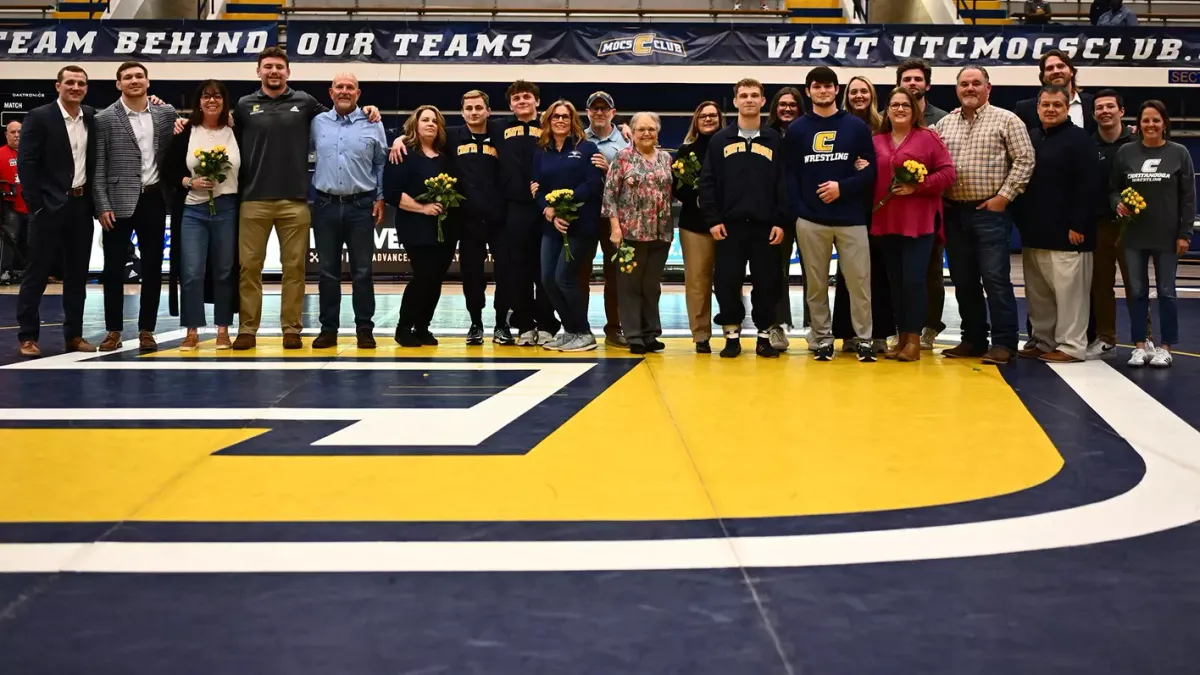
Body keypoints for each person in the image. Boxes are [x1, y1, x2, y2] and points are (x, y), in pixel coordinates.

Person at [226, 46, 380, 351]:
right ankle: (247, 328)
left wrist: (369, 110)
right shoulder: (244, 105)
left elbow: (342, 119)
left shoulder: (306, 103)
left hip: (295, 201)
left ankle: (292, 329)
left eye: (279, 67)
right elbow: (219, 128)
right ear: (258, 71)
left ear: (288, 72)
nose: (273, 72)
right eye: (267, 67)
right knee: (249, 268)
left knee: (295, 269)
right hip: (253, 198)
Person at [934, 65, 1034, 365]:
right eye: (964, 84)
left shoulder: (1007, 119)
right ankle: (974, 338)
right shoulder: (944, 124)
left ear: (988, 88)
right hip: (954, 212)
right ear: (957, 89)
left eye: (976, 83)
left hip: (989, 212)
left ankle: (1004, 342)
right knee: (963, 281)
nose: (970, 89)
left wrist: (1004, 197)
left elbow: (1025, 160)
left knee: (995, 279)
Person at [784, 67, 877, 363]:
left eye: (828, 86)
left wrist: (843, 188)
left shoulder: (856, 127)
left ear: (837, 90)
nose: (823, 91)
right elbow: (789, 176)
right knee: (816, 283)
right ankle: (822, 339)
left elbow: (870, 171)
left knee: (860, 282)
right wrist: (801, 211)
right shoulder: (797, 129)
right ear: (809, 91)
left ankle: (864, 339)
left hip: (851, 218)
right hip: (811, 220)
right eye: (817, 86)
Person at [699, 78, 788, 359]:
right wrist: (713, 220)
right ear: (736, 101)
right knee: (726, 282)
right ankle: (732, 336)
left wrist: (781, 221)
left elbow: (784, 184)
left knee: (767, 283)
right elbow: (708, 183)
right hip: (729, 227)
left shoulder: (775, 140)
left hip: (765, 227)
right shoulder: (719, 140)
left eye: (754, 95)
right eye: (743, 95)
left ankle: (763, 337)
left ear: (763, 102)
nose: (749, 100)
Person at [92, 61, 176, 352]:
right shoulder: (104, 119)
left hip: (154, 198)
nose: (134, 81)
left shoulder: (166, 114)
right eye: (127, 77)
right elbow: (98, 166)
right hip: (116, 203)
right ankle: (113, 330)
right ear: (118, 84)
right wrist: (101, 205)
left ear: (148, 82)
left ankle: (146, 330)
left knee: (153, 268)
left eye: (139, 76)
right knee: (113, 269)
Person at [1013, 85, 1101, 364]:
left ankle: (1072, 346)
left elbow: (1088, 186)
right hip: (1035, 233)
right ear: (1037, 108)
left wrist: (1079, 225)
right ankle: (1044, 340)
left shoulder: (1080, 140)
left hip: (1069, 236)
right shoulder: (1032, 138)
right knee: (1039, 295)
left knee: (1070, 296)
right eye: (1046, 104)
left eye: (1057, 105)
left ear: (1067, 109)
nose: (1051, 109)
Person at [15, 66, 97, 358]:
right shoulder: (40, 117)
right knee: (36, 274)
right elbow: (26, 164)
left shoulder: (91, 116)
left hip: (80, 206)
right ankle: (27, 337)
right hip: (48, 207)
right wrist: (37, 205)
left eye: (81, 83)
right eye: (70, 82)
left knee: (77, 276)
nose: (76, 87)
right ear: (58, 85)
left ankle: (73, 335)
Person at [871, 87, 956, 362]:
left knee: (914, 281)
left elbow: (948, 173)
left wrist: (917, 186)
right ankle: (902, 338)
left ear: (914, 109)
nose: (899, 109)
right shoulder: (877, 140)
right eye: (894, 105)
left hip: (918, 222)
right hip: (886, 221)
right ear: (887, 110)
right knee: (895, 283)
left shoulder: (928, 138)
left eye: (905, 105)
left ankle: (915, 341)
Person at [1111, 100, 1194, 368]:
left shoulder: (1179, 153)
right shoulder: (1125, 153)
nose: (1151, 125)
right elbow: (1113, 189)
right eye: (1146, 120)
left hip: (1168, 236)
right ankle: (1139, 346)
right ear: (1139, 125)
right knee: (1136, 291)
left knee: (1167, 291)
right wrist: (1117, 205)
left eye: (1156, 120)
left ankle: (1165, 346)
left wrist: (1185, 233)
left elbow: (1188, 198)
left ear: (1164, 124)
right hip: (1134, 236)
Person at [309, 73, 386, 351]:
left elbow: (380, 164)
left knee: (363, 271)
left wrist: (380, 197)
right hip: (325, 205)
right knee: (327, 272)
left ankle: (364, 328)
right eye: (339, 87)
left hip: (361, 205)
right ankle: (328, 329)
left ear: (358, 93)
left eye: (349, 87)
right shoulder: (317, 123)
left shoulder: (373, 122)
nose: (344, 91)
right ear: (330, 93)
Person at [163, 79, 241, 352]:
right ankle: (191, 330)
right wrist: (189, 182)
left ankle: (223, 329)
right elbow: (169, 171)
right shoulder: (185, 131)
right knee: (192, 272)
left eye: (217, 96)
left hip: (228, 208)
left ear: (225, 101)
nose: (212, 101)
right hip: (193, 210)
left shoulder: (236, 130)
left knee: (224, 271)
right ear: (198, 101)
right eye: (206, 96)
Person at [532, 99, 605, 353]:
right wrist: (550, 210)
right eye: (555, 116)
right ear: (548, 121)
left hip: (580, 223)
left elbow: (593, 182)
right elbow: (536, 187)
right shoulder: (541, 150)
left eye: (565, 116)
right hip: (552, 224)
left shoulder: (587, 148)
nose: (560, 120)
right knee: (547, 279)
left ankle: (583, 332)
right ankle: (571, 329)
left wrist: (566, 203)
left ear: (573, 120)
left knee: (564, 277)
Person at [384, 105, 460, 348]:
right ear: (415, 125)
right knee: (424, 275)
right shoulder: (403, 154)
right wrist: (423, 208)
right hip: (415, 226)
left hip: (445, 228)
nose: (430, 124)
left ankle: (423, 326)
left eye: (434, 121)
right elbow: (392, 194)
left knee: (436, 278)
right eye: (425, 120)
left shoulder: (446, 158)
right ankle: (404, 326)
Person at [602, 111, 673, 354]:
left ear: (658, 132)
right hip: (630, 233)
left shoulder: (666, 158)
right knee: (629, 286)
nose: (646, 133)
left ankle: (651, 333)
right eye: (641, 129)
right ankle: (633, 335)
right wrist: (615, 229)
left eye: (651, 129)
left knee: (652, 286)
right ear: (632, 132)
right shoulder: (622, 158)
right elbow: (609, 195)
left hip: (660, 233)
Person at [835, 75, 893, 355]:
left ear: (872, 95)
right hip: (848, 207)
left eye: (864, 91)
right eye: (854, 91)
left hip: (880, 208)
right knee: (847, 272)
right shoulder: (838, 124)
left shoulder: (885, 125)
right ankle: (848, 332)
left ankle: (879, 332)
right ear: (847, 96)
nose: (859, 96)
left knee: (878, 271)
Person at [897, 58, 950, 349]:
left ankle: (930, 325)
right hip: (896, 209)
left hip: (932, 208)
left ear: (927, 84)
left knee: (931, 272)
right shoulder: (886, 117)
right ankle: (902, 327)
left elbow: (946, 166)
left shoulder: (942, 118)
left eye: (918, 79)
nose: (913, 84)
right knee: (899, 271)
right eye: (907, 80)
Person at [449, 90, 509, 346]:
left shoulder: (502, 134)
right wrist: (399, 141)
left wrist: (622, 129)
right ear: (463, 112)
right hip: (468, 221)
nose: (474, 112)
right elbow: (418, 136)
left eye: (478, 108)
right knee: (472, 274)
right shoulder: (451, 136)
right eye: (469, 108)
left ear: (488, 111)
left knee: (506, 273)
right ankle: (475, 323)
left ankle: (501, 323)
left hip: (500, 219)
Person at [1088, 89, 1141, 358]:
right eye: (1099, 107)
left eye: (1110, 106)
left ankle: (1145, 340)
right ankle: (1106, 337)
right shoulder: (1089, 145)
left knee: (1136, 284)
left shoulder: (1137, 142)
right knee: (1100, 285)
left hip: (1132, 227)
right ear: (1094, 113)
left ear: (1121, 111)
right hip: (1099, 225)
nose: (1105, 111)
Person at [674, 101, 723, 354]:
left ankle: (731, 330)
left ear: (720, 118)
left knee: (729, 280)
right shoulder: (685, 151)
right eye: (703, 116)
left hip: (728, 225)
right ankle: (701, 334)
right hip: (695, 226)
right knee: (697, 282)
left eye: (712, 116)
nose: (708, 119)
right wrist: (697, 199)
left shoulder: (730, 146)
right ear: (696, 120)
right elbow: (677, 187)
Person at [582, 91, 628, 348]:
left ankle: (614, 327)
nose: (599, 112)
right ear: (588, 112)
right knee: (580, 274)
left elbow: (633, 180)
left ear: (613, 112)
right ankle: (580, 326)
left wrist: (608, 170)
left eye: (604, 108)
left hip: (615, 218)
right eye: (594, 108)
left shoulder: (624, 142)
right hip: (585, 215)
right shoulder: (577, 138)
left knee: (615, 275)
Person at [765, 86, 806, 351]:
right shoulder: (765, 136)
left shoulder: (809, 132)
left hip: (808, 210)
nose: (787, 108)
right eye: (782, 104)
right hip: (777, 214)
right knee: (775, 271)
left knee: (814, 272)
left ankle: (817, 328)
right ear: (774, 108)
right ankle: (776, 326)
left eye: (792, 104)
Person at [1015, 50, 1096, 136]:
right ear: (1043, 77)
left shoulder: (1092, 103)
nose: (1056, 71)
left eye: (1060, 66)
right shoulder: (1025, 109)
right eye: (1050, 68)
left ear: (1072, 72)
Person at [0, 121, 27, 285]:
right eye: (12, 132)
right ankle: (4, 271)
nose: (16, 135)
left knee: (36, 240)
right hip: (10, 205)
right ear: (6, 134)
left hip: (32, 204)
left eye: (19, 132)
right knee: (9, 239)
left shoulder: (32, 152)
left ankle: (35, 271)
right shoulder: (1, 154)